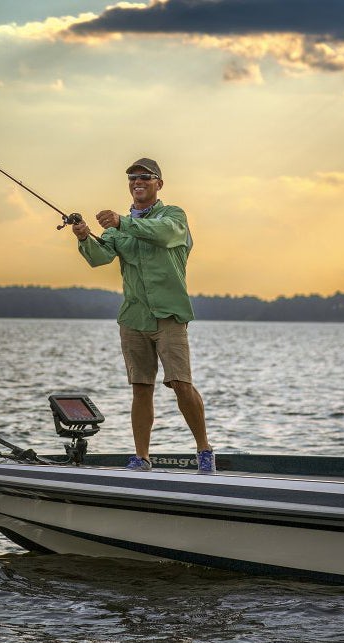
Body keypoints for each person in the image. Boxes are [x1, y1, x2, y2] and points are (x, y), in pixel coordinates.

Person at [71, 158, 215, 474]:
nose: (138, 182)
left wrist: (122, 222)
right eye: (133, 178)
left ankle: (204, 450)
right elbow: (99, 257)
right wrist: (84, 236)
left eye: (146, 177)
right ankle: (142, 458)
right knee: (140, 387)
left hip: (169, 316)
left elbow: (162, 234)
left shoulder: (173, 216)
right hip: (133, 318)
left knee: (181, 383)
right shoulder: (117, 227)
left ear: (158, 184)